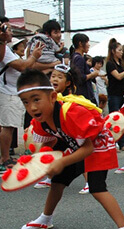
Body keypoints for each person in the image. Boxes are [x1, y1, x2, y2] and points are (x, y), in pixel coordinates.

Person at [17, 69, 124, 229]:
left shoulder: (72, 112)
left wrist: (61, 162)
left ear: (52, 96)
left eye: (36, 99)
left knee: (97, 188)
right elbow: (49, 142)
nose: (32, 107)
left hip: (97, 146)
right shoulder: (39, 120)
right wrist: (40, 162)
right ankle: (45, 219)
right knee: (58, 182)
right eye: (26, 102)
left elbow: (88, 148)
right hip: (75, 146)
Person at [33, 64, 90, 194]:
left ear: (68, 83)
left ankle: (89, 181)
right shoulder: (48, 97)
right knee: (52, 150)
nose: (55, 79)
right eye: (53, 76)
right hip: (58, 131)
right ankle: (50, 177)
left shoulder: (74, 100)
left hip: (73, 132)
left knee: (79, 153)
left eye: (60, 77)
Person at [0, 17, 44, 174]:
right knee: (7, 126)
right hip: (7, 93)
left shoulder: (6, 50)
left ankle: (6, 157)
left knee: (9, 127)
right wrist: (34, 56)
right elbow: (23, 67)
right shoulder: (3, 49)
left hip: (11, 92)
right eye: (8, 29)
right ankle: (4, 159)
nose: (10, 32)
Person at [70, 33, 98, 105]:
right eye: (87, 42)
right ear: (80, 44)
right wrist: (92, 75)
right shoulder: (79, 58)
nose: (89, 45)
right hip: (84, 94)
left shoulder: (74, 56)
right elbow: (80, 77)